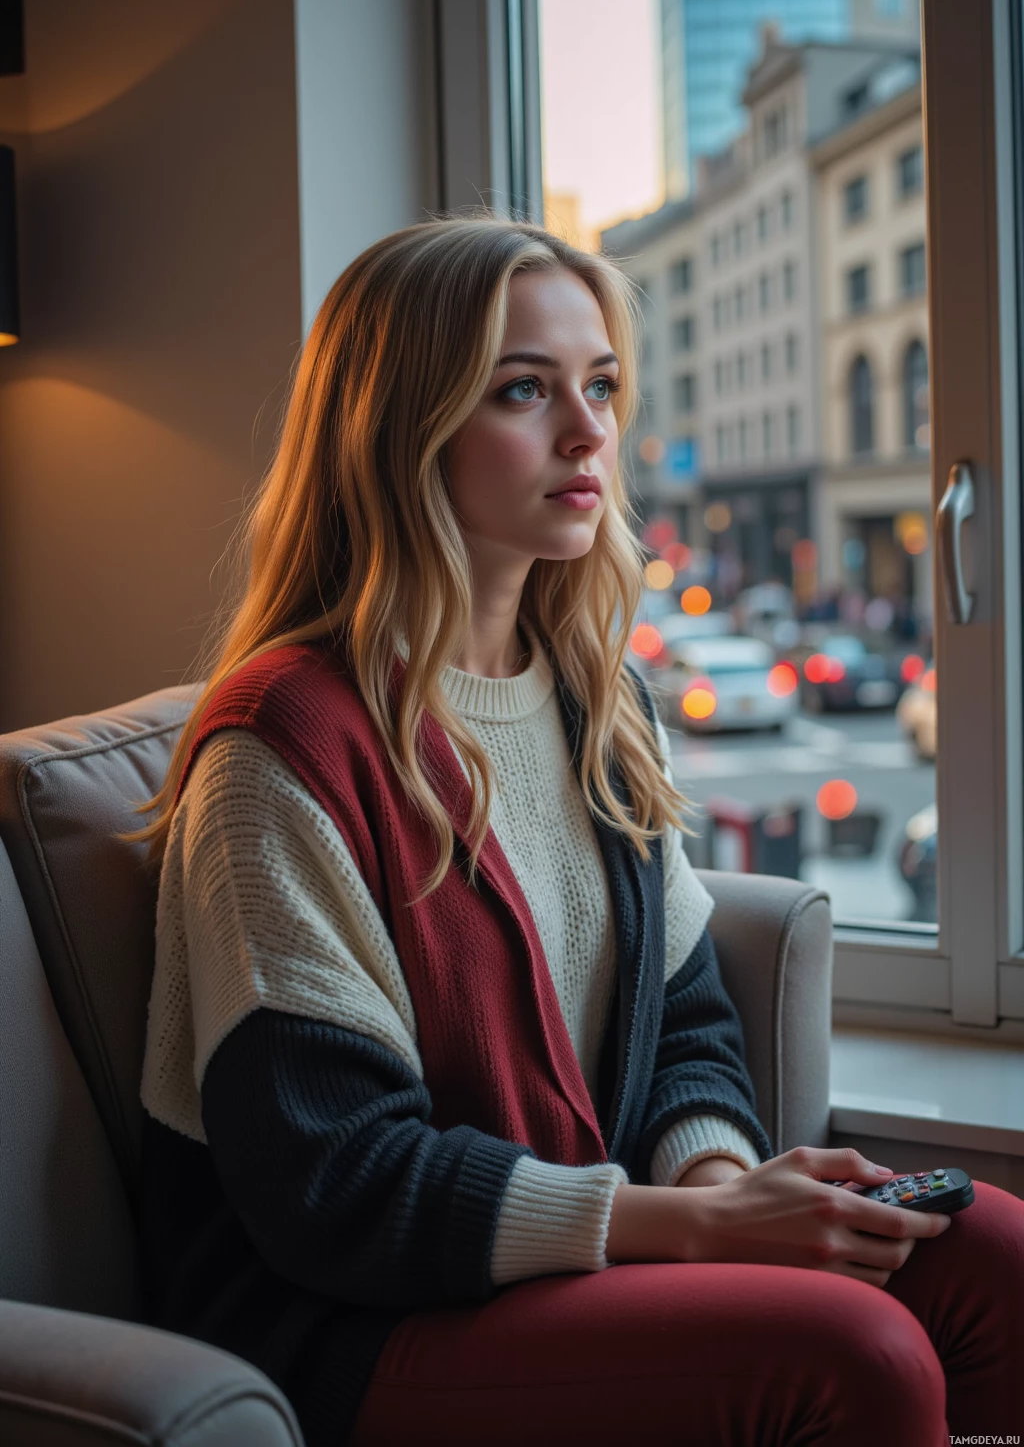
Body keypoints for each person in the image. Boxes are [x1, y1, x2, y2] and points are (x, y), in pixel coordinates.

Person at [121, 214, 1024, 1445]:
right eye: (522, 389)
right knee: (855, 1357)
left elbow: (688, 1020)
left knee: (996, 1254)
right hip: (359, 1320)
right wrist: (696, 1231)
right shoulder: (282, 746)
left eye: (598, 385)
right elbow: (336, 1182)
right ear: (400, 429)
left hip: (578, 1255)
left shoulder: (596, 699)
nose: (589, 428)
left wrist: (722, 1185)